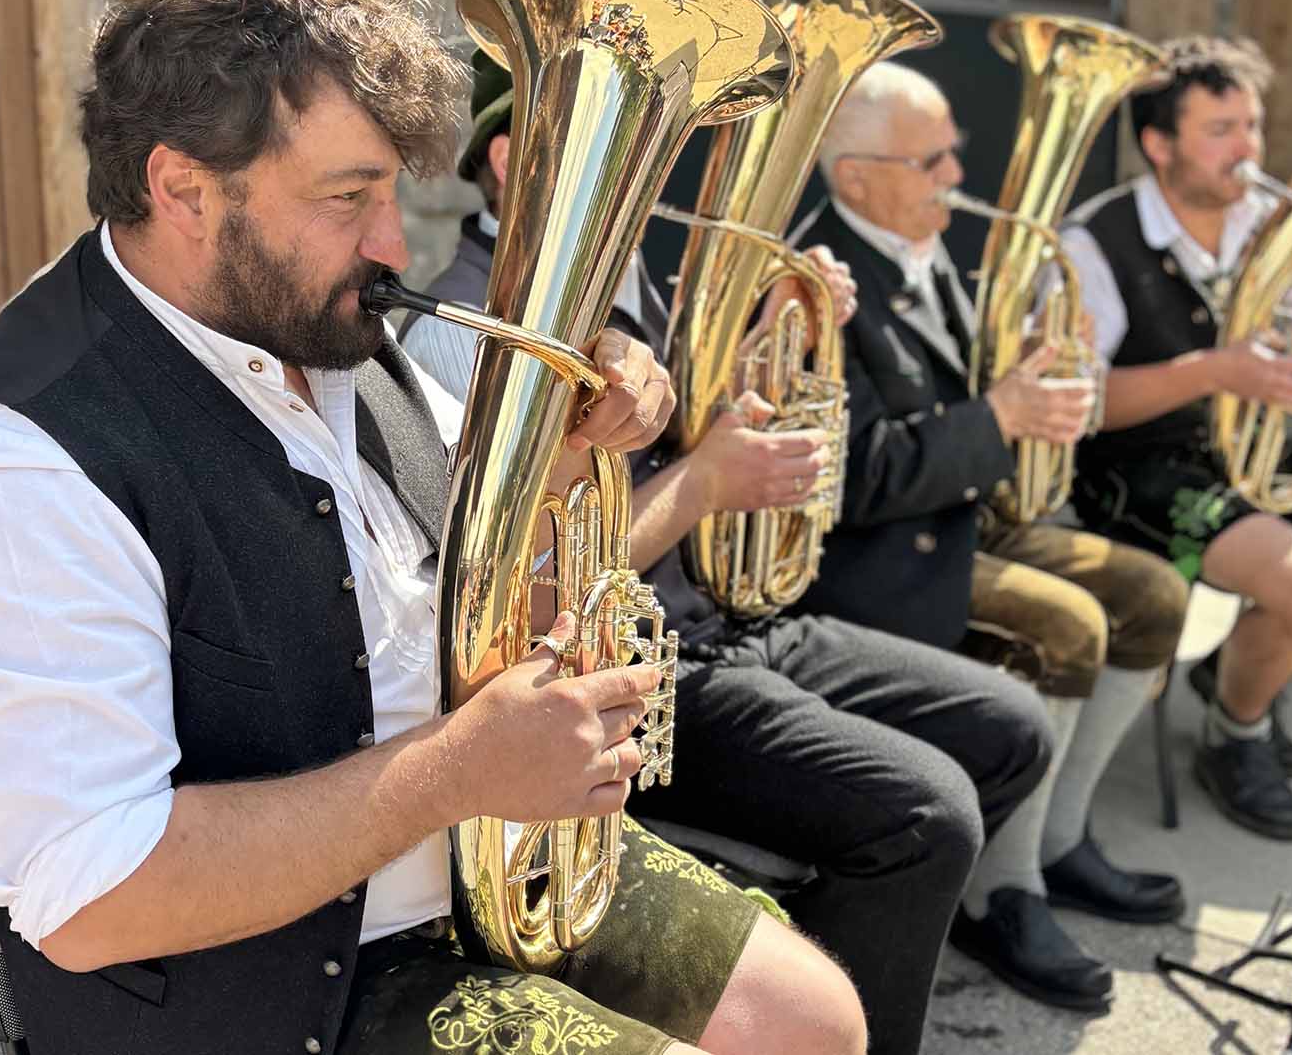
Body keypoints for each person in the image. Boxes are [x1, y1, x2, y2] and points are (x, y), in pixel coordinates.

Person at [0, 0, 868, 1055]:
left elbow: (468, 593)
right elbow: (94, 899)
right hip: (276, 984)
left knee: (815, 1019)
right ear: (183, 187)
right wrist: (457, 769)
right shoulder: (13, 469)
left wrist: (579, 453)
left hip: (470, 852)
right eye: (349, 197)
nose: (391, 245)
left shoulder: (322, 328)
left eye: (391, 191)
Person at [405, 52, 1054, 1054]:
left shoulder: (636, 280)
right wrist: (705, 484)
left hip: (725, 616)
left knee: (1010, 725)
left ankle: (861, 948)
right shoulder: (459, 333)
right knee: (930, 813)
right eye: (631, 149)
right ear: (508, 159)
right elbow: (500, 589)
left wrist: (783, 333)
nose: (657, 176)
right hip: (639, 671)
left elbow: (705, 431)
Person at [790, 62, 1194, 1012]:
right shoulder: (821, 281)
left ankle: (1058, 838)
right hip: (880, 557)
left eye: (952, 152)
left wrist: (1044, 387)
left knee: (1152, 596)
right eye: (930, 159)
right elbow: (849, 478)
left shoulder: (933, 253)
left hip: (966, 521)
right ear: (855, 179)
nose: (954, 173)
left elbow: (974, 410)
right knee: (1068, 628)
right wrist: (1003, 415)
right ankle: (1002, 893)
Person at [1060, 35, 1292, 840]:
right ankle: (1238, 731)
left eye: (1251, 125)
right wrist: (1216, 370)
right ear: (1158, 143)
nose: (1247, 149)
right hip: (1139, 471)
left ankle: (1243, 662)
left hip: (1259, 450)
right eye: (1221, 130)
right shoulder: (1093, 241)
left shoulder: (1270, 226)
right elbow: (1083, 403)